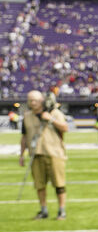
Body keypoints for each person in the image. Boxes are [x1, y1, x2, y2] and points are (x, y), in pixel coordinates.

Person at [19, 90, 69, 220]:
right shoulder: (27, 116)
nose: (33, 103)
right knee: (39, 185)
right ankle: (43, 210)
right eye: (30, 100)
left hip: (54, 153)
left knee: (59, 184)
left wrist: (50, 119)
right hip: (36, 154)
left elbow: (65, 128)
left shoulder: (55, 113)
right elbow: (24, 137)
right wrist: (21, 154)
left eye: (35, 100)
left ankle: (61, 210)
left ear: (42, 100)